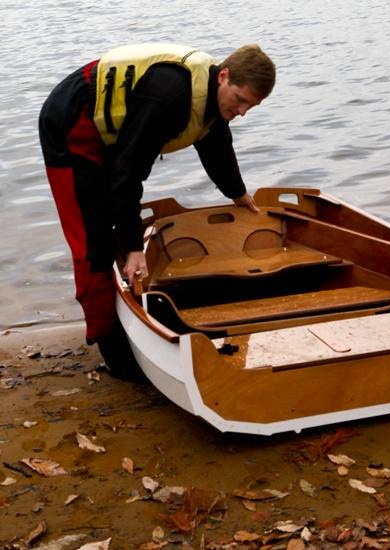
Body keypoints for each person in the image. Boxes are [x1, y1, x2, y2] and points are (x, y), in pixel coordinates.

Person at [38, 43, 276, 379]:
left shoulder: (210, 95)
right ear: (224, 75)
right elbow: (127, 173)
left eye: (251, 106)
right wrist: (135, 246)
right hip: (71, 128)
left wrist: (237, 194)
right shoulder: (169, 98)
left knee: (114, 216)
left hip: (111, 135)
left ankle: (122, 302)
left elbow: (215, 144)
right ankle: (111, 348)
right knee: (92, 241)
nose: (242, 112)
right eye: (240, 100)